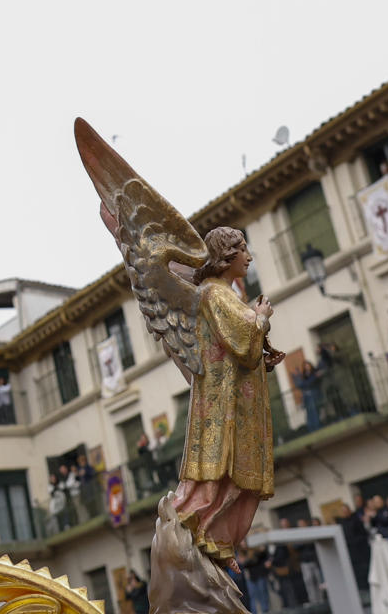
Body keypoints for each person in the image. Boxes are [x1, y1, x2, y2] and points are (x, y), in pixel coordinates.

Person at [167, 228, 281, 562]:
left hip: (236, 398)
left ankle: (216, 539)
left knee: (236, 477)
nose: (248, 256)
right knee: (223, 470)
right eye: (242, 249)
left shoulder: (224, 295)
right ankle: (204, 529)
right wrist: (260, 318)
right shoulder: (214, 294)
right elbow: (242, 345)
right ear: (226, 254)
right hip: (224, 400)